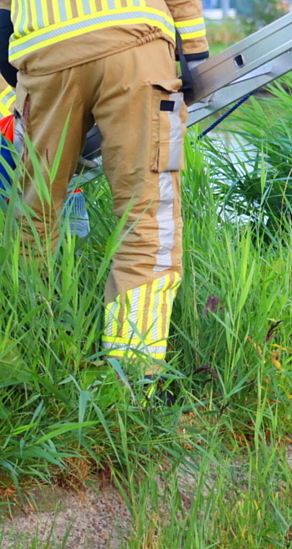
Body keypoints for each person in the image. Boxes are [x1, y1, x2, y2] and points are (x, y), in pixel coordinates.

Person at [0, 0, 209, 376]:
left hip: (46, 51)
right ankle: (134, 374)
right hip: (135, 40)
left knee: (33, 211)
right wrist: (194, 53)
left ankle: (33, 351)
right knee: (147, 215)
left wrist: (19, 77)